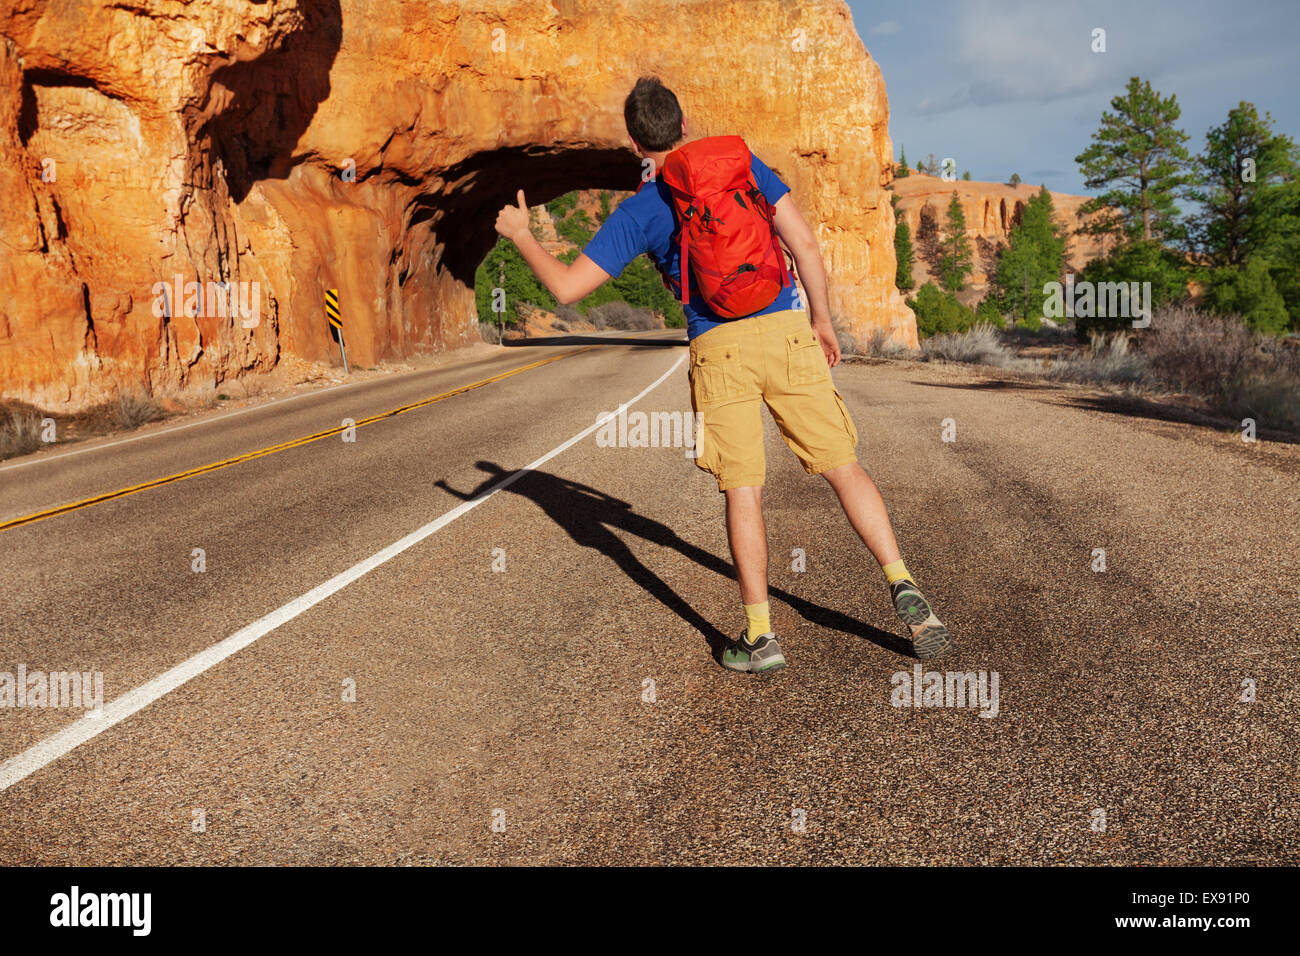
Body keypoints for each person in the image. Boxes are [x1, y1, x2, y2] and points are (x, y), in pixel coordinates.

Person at [493, 76, 953, 673]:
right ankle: (902, 583)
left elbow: (565, 288)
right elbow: (805, 244)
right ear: (685, 126)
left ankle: (761, 636)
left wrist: (524, 236)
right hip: (787, 329)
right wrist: (821, 319)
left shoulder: (640, 212)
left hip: (718, 349)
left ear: (635, 146)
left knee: (743, 489)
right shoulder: (740, 165)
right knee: (843, 466)